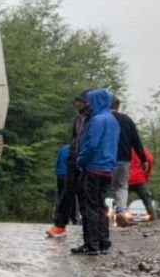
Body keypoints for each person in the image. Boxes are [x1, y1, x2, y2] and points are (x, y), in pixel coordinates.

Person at [72, 88, 120, 256]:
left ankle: (91, 244)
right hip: (107, 169)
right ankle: (103, 242)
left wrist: (81, 160)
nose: (87, 104)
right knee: (101, 206)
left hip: (93, 167)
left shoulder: (97, 120)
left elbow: (91, 145)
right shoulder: (112, 120)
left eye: (89, 101)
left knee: (89, 206)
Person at [46, 91, 90, 237]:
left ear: (88, 102)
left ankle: (90, 231)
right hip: (73, 161)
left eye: (80, 101)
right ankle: (59, 225)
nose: (77, 104)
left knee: (85, 197)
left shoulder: (94, 119)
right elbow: (74, 138)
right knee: (66, 194)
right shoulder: (78, 118)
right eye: (77, 101)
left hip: (87, 163)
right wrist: (73, 156)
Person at [110, 96, 147, 225]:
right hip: (124, 159)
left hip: (106, 159)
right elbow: (136, 141)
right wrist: (143, 158)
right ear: (118, 106)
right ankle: (121, 212)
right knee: (122, 186)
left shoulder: (102, 119)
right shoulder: (127, 120)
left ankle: (98, 213)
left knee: (101, 187)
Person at [128, 146, 157, 220]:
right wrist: (146, 177)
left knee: (121, 201)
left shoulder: (122, 149)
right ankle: (153, 220)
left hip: (126, 180)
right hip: (140, 179)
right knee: (147, 201)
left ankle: (118, 220)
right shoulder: (143, 150)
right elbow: (149, 162)